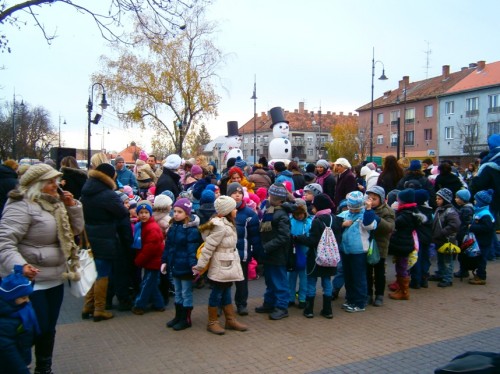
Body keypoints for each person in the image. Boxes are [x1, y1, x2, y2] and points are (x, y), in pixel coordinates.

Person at [0, 163, 84, 374]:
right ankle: (18, 366)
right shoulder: (21, 205)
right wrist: (21, 266)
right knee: (32, 329)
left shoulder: (56, 204)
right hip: (30, 281)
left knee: (48, 329)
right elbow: (4, 241)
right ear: (36, 184)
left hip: (55, 276)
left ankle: (44, 368)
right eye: (50, 181)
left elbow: (76, 230)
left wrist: (72, 206)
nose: (56, 185)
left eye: (56, 180)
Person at [80, 163, 130, 322]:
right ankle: (99, 309)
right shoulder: (108, 194)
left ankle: (88, 306)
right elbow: (122, 213)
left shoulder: (87, 189)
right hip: (105, 236)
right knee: (103, 273)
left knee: (94, 272)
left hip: (89, 234)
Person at [193, 196, 248, 335]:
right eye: (233, 208)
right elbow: (208, 247)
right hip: (221, 264)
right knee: (217, 292)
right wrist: (200, 266)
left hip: (228, 263)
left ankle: (230, 319)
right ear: (227, 211)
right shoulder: (220, 226)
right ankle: (212, 322)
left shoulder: (226, 223)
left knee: (226, 291)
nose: (236, 210)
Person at [295, 194, 341, 318]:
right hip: (330, 258)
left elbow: (313, 240)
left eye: (314, 206)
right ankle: (327, 310)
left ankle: (309, 310)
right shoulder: (335, 219)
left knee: (311, 282)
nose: (312, 209)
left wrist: (300, 238)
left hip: (316, 257)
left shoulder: (317, 220)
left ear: (319, 207)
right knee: (327, 282)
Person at [161, 198, 202, 331]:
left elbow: (192, 250)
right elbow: (168, 246)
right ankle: (178, 316)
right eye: (175, 211)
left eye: (180, 212)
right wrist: (165, 261)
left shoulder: (191, 230)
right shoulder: (173, 227)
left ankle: (186, 318)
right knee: (178, 291)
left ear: (187, 213)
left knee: (186, 292)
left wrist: (193, 265)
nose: (176, 214)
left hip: (185, 266)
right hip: (174, 264)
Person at [255, 183, 292, 320]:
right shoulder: (271, 210)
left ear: (276, 198)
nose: (268, 197)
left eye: (270, 195)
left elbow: (284, 236)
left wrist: (267, 246)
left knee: (279, 281)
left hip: (277, 253)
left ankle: (282, 306)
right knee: (270, 280)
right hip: (270, 253)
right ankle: (269, 302)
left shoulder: (281, 214)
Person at [227, 182, 263, 316]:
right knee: (224, 281)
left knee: (242, 282)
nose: (237, 195)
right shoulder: (222, 212)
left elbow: (254, 236)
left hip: (242, 254)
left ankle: (241, 304)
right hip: (225, 254)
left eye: (240, 193)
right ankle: (222, 304)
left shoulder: (249, 214)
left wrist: (256, 254)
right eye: (234, 193)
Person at [337, 191, 377, 312]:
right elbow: (335, 225)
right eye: (352, 208)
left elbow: (370, 225)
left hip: (359, 251)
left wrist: (369, 209)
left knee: (358, 277)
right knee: (348, 276)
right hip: (345, 250)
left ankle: (360, 302)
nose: (354, 211)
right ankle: (350, 299)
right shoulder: (344, 214)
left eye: (356, 209)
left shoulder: (366, 215)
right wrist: (342, 224)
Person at [0, 266, 40, 374]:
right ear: (11, 298)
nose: (27, 300)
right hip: (10, 364)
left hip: (23, 353)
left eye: (27, 297)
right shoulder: (5, 323)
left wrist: (24, 272)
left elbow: (23, 287)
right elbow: (8, 351)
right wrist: (23, 369)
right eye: (23, 298)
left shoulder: (20, 306)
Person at [130, 201, 165, 315]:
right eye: (141, 212)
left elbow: (150, 248)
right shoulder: (143, 226)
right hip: (151, 261)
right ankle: (159, 304)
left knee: (146, 284)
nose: (143, 215)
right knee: (151, 283)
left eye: (146, 212)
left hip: (153, 261)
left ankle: (139, 305)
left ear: (150, 214)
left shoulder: (152, 228)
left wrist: (139, 260)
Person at [365, 186, 395, 307]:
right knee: (367, 271)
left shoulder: (387, 211)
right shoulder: (365, 209)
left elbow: (389, 227)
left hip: (380, 245)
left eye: (374, 199)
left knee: (379, 272)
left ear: (381, 200)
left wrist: (377, 219)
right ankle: (368, 294)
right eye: (369, 198)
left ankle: (379, 295)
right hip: (367, 245)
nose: (371, 201)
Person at [429, 188, 461, 288]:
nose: (437, 200)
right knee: (440, 258)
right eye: (436, 198)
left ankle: (447, 278)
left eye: (439, 199)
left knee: (447, 260)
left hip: (447, 239)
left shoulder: (450, 211)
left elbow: (455, 224)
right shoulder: (439, 209)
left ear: (445, 199)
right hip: (439, 239)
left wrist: (442, 232)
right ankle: (440, 273)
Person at [287, 199, 312, 309]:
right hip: (292, 253)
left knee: (304, 278)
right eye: (296, 214)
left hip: (304, 253)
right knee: (291, 277)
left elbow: (310, 235)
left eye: (301, 213)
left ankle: (302, 298)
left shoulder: (309, 222)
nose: (299, 216)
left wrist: (302, 238)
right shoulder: (290, 221)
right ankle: (290, 298)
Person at [468, 190, 495, 285]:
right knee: (479, 258)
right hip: (481, 240)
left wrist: (472, 227)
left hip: (483, 241)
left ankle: (481, 276)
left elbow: (487, 228)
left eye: (476, 200)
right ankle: (479, 274)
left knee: (481, 259)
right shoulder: (481, 212)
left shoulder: (485, 214)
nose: (474, 201)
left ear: (481, 201)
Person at [453, 190, 475, 279]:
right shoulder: (465, 208)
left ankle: (463, 270)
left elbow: (466, 223)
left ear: (463, 199)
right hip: (462, 234)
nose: (456, 199)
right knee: (462, 253)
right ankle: (463, 270)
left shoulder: (466, 209)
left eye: (458, 198)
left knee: (463, 254)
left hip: (463, 235)